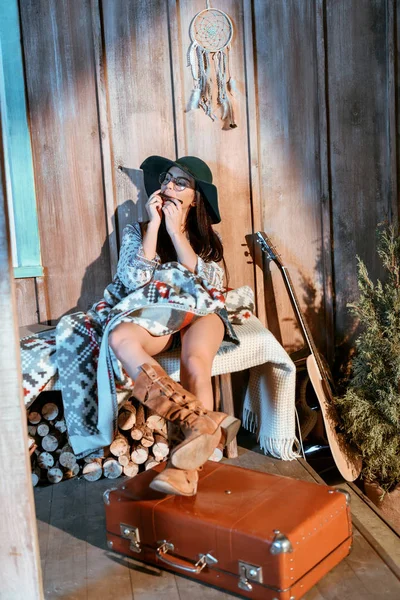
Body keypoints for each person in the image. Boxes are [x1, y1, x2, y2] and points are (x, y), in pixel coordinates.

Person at [108, 156, 241, 496]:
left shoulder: (205, 240)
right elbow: (133, 282)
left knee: (195, 362)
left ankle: (186, 469)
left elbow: (209, 288)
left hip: (200, 314)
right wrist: (154, 228)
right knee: (120, 335)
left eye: (181, 183)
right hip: (158, 316)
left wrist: (176, 231)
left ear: (195, 198)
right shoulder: (136, 231)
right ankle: (199, 421)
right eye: (167, 179)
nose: (168, 186)